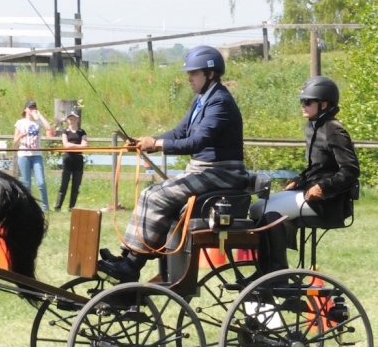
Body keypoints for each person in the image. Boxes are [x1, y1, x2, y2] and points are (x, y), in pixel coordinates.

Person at [99, 45, 249, 282]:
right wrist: (144, 141)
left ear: (210, 74)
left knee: (156, 196)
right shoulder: (201, 100)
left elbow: (197, 142)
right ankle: (128, 258)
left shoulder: (220, 102)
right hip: (204, 170)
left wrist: (156, 144)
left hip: (223, 172)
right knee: (151, 194)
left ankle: (132, 265)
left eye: (194, 73)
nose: (189, 78)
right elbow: (180, 133)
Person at [248, 76, 360, 275]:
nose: (303, 105)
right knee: (257, 207)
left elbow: (350, 170)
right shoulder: (312, 126)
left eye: (308, 101)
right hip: (309, 192)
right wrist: (299, 180)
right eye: (302, 101)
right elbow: (317, 167)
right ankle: (264, 270)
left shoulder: (334, 129)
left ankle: (276, 274)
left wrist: (323, 188)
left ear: (324, 104)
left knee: (267, 212)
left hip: (328, 201)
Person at [14, 100, 52, 210]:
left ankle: (45, 206)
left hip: (36, 155)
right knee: (26, 183)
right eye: (30, 108)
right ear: (25, 109)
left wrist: (40, 115)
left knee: (41, 182)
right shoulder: (20, 122)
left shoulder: (38, 122)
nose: (32, 109)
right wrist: (21, 135)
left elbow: (49, 128)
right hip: (24, 155)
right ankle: (27, 206)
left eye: (34, 107)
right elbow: (15, 142)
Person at [55, 110, 88, 211]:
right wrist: (78, 146)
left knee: (76, 185)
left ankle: (71, 207)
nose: (72, 120)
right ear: (67, 120)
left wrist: (72, 145)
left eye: (74, 118)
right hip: (68, 158)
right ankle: (58, 206)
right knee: (64, 184)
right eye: (70, 119)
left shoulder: (82, 132)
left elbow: (85, 145)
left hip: (78, 159)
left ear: (77, 120)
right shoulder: (65, 132)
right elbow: (66, 145)